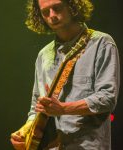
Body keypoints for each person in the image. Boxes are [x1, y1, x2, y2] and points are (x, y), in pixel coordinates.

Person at [10, 0, 120, 149]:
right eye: (45, 12)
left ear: (72, 6)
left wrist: (63, 109)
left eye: (57, 8)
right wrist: (26, 132)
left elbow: (108, 98)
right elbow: (36, 106)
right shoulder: (44, 55)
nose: (52, 16)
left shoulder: (101, 43)